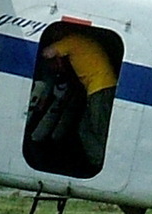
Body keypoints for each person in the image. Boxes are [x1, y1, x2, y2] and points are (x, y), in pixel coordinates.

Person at [39, 28, 118, 173]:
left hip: (100, 87)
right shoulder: (80, 41)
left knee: (97, 129)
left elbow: (48, 52)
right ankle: (97, 161)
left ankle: (101, 163)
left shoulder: (71, 41)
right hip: (100, 87)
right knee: (85, 128)